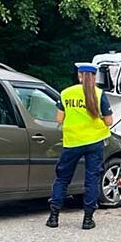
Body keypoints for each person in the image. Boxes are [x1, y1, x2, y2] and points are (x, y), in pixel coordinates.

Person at [46, 62, 113, 230]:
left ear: (79, 76)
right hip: (94, 143)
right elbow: (109, 121)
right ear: (94, 77)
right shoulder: (99, 94)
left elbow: (59, 119)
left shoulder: (66, 93)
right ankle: (88, 219)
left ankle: (54, 217)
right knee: (91, 180)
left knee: (62, 178)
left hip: (72, 142)